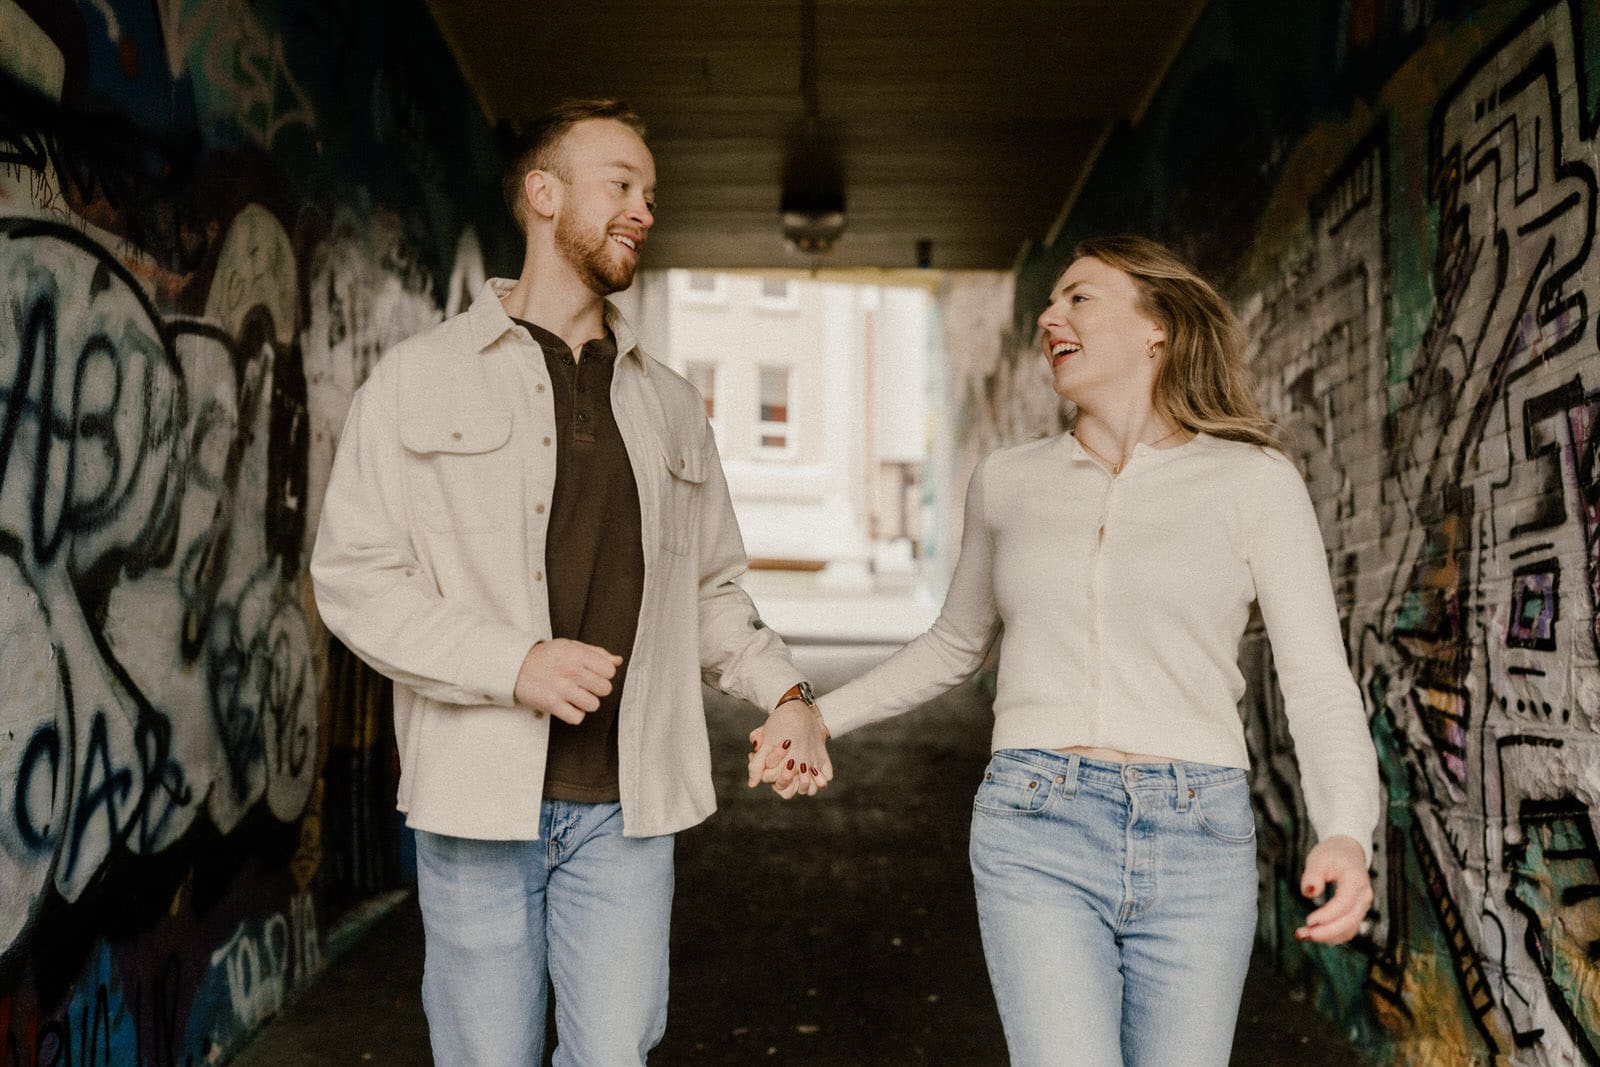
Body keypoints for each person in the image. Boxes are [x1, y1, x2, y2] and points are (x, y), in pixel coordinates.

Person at [750, 235, 1379, 1065]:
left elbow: (1316, 678)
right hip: (1036, 823)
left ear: (1157, 326)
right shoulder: (1008, 482)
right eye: (1049, 300)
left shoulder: (1254, 482)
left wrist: (1347, 829)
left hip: (1200, 835)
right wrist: (817, 714)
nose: (1050, 315)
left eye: (1079, 296)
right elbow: (953, 643)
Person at [311, 98, 832, 1066]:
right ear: (543, 195)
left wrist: (789, 692)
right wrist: (513, 663)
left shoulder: (672, 404)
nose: (642, 208)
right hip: (475, 797)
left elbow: (713, 590)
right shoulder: (416, 378)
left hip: (628, 807)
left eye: (650, 192)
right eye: (620, 184)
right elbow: (355, 578)